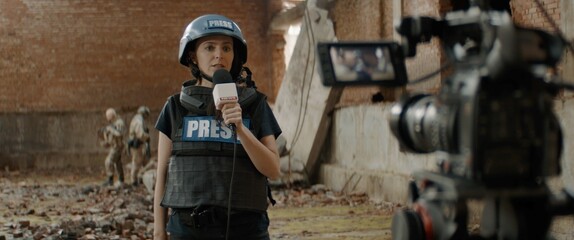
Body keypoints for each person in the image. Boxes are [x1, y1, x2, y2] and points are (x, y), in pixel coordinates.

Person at [153, 14, 282, 240]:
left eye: (226, 48)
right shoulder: (175, 107)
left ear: (235, 55)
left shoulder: (255, 104)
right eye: (209, 47)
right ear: (192, 55)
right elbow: (162, 173)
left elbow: (273, 169)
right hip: (188, 230)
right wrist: (158, 230)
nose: (218, 55)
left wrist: (241, 129)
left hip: (247, 230)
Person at [98, 108, 126, 187]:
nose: (108, 119)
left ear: (112, 116)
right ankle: (121, 179)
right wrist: (105, 142)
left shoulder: (119, 122)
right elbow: (112, 137)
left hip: (118, 146)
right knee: (118, 163)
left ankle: (110, 180)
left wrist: (110, 129)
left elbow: (119, 133)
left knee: (108, 161)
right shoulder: (113, 123)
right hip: (114, 146)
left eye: (108, 117)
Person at [127, 105, 151, 187]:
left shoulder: (138, 119)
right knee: (136, 162)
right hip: (137, 145)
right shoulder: (138, 121)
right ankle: (133, 181)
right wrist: (147, 136)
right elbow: (140, 134)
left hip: (139, 144)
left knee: (143, 161)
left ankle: (140, 179)